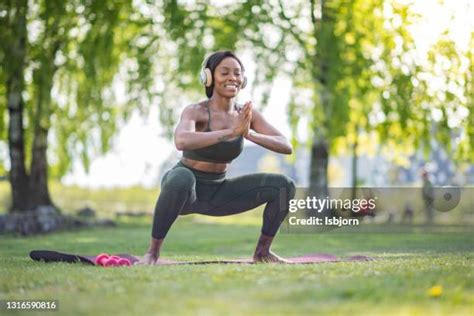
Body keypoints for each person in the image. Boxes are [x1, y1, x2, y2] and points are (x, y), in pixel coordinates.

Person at [136, 51, 296, 265]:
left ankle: (262, 253)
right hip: (186, 191)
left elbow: (286, 145)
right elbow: (181, 141)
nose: (232, 78)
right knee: (181, 177)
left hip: (220, 193)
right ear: (209, 78)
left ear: (243, 80)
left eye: (237, 73)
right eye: (225, 72)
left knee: (283, 185)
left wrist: (249, 133)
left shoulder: (245, 115)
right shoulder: (196, 111)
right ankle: (152, 253)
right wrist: (230, 133)